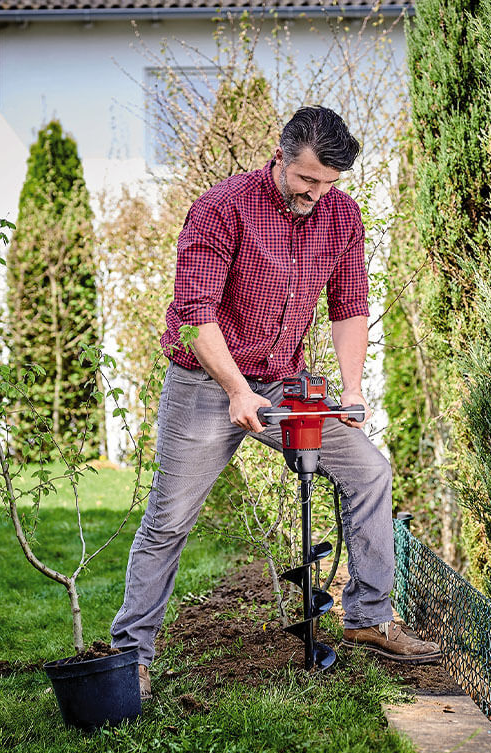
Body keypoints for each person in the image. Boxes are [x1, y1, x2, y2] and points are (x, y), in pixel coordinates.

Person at [111, 106, 441, 701]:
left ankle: (368, 619)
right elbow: (194, 314)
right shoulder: (224, 207)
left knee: (369, 472)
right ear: (282, 156)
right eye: (307, 180)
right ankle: (131, 653)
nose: (317, 194)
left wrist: (353, 386)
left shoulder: (341, 215)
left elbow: (350, 306)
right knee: (169, 520)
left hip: (284, 385)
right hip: (206, 384)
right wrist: (235, 389)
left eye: (329, 184)